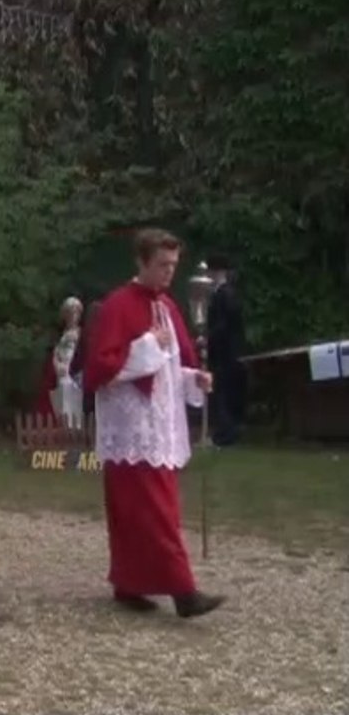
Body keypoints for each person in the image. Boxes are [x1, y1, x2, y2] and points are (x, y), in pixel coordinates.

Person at [83, 228, 225, 618]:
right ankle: (183, 591)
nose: (169, 272)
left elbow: (170, 368)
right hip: (132, 427)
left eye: (173, 265)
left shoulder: (168, 307)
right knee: (152, 509)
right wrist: (147, 346)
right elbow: (100, 369)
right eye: (162, 264)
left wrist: (194, 378)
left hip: (161, 423)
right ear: (141, 262)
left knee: (144, 510)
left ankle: (129, 583)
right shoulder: (117, 305)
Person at [206, 255, 246, 446]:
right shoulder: (221, 293)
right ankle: (225, 431)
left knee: (223, 393)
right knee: (221, 392)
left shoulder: (225, 293)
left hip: (226, 352)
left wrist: (209, 336)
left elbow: (225, 324)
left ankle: (227, 433)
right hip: (224, 351)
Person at [51, 296, 85, 427]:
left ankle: (75, 429)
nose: (73, 316)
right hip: (61, 369)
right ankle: (64, 427)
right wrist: (57, 364)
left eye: (75, 312)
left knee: (74, 400)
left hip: (75, 371)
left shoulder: (81, 333)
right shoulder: (61, 333)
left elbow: (82, 352)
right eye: (70, 313)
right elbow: (56, 352)